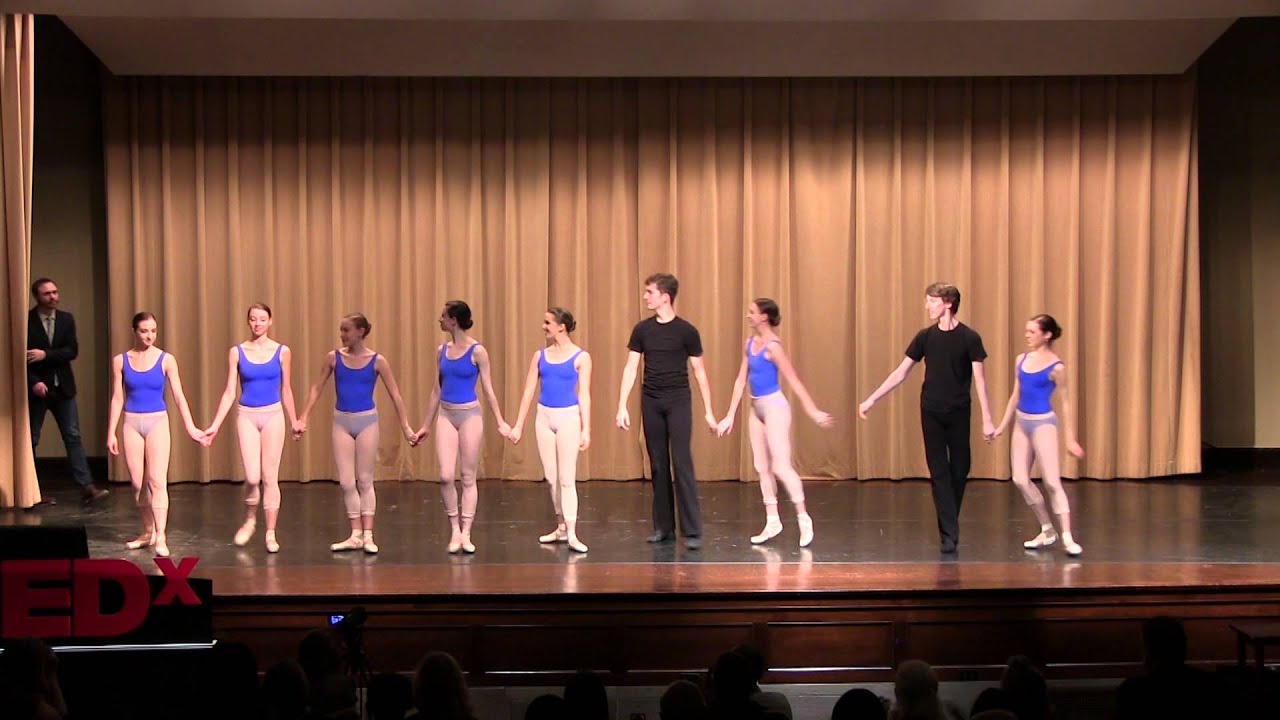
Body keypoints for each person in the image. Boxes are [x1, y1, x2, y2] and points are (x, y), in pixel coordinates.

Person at [859, 283, 995, 554]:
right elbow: (901, 372)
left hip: (958, 411)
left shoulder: (970, 338)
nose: (927, 306)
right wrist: (872, 398)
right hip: (931, 411)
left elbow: (980, 381)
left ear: (947, 303)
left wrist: (987, 420)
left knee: (960, 468)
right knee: (939, 472)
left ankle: (949, 521)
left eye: (931, 301)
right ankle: (949, 533)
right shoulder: (925, 337)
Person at [716, 298, 833, 547]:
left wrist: (813, 411)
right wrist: (729, 415)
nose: (748, 316)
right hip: (755, 407)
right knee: (761, 466)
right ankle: (772, 521)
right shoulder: (750, 344)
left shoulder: (774, 347)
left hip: (774, 407)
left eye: (752, 313)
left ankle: (803, 518)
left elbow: (794, 381)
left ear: (764, 317)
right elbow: (740, 381)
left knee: (780, 466)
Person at [296, 313, 416, 554]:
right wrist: (303, 417)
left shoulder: (377, 361)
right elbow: (317, 387)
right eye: (341, 330)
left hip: (367, 422)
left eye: (346, 330)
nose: (342, 335)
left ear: (360, 332)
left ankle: (369, 535)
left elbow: (395, 395)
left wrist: (406, 429)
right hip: (342, 421)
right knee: (346, 481)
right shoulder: (333, 358)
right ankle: (355, 534)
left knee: (365, 479)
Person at [616, 273, 717, 550]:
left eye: (650, 292)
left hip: (678, 402)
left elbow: (699, 372)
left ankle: (692, 530)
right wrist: (622, 404)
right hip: (651, 401)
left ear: (665, 296)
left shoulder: (687, 331)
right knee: (658, 464)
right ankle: (664, 527)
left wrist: (709, 411)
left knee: (681, 462)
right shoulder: (642, 330)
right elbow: (631, 368)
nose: (646, 296)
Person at [412, 301, 511, 554]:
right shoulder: (441, 351)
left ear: (454, 320)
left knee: (467, 476)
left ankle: (466, 532)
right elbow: (437, 389)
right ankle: (454, 528)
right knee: (446, 475)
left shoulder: (477, 352)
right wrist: (425, 425)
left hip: (469, 416)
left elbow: (488, 389)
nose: (440, 320)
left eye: (443, 316)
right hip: (446, 414)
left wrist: (500, 421)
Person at [105, 312, 206, 558]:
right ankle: (148, 530)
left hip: (157, 422)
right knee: (138, 484)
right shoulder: (121, 361)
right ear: (134, 331)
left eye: (153, 330)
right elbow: (118, 397)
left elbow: (179, 396)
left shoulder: (166, 360)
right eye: (144, 331)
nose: (149, 335)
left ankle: (161, 534)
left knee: (157, 481)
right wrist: (111, 432)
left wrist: (191, 427)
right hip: (131, 423)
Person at [203, 303, 300, 553]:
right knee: (252, 476)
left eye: (262, 319)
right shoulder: (237, 352)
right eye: (253, 319)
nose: (257, 324)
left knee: (270, 476)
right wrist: (214, 425)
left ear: (270, 321)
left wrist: (294, 420)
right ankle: (249, 520)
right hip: (247, 415)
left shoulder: (282, 351)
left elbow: (286, 389)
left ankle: (270, 532)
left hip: (273, 416)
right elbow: (229, 392)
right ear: (248, 322)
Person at [992, 314, 1085, 556]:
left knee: (1053, 482)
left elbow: (1065, 402)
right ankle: (1047, 529)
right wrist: (1002, 425)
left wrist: (1071, 439)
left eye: (1032, 332)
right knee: (1020, 479)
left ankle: (1066, 536)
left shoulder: (1057, 368)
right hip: (1022, 423)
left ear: (1047, 335)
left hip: (1044, 423)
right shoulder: (1021, 360)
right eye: (1027, 331)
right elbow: (1016, 394)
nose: (1027, 336)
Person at [508, 307, 593, 553]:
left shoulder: (581, 357)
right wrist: (518, 425)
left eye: (548, 323)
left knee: (567, 479)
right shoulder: (540, 356)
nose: (544, 327)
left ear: (561, 326)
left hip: (568, 417)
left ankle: (572, 533)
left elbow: (584, 395)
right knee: (551, 477)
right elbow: (528, 392)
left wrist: (586, 429)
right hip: (544, 417)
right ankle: (560, 526)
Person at [26, 277, 107, 504]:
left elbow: (72, 351)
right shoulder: (27, 320)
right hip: (37, 390)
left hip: (63, 388)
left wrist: (46, 354)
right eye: (47, 294)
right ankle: (31, 491)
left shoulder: (66, 319)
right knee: (31, 439)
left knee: (73, 436)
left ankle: (87, 486)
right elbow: (19, 357)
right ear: (37, 297)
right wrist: (33, 381)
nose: (53, 297)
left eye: (55, 292)